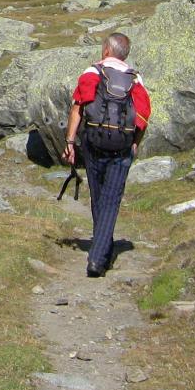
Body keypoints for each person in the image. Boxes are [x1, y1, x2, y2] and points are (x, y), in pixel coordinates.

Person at [63, 31, 150, 278]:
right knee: (111, 200)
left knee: (98, 196)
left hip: (93, 142)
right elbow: (143, 117)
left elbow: (78, 107)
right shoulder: (135, 80)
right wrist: (135, 144)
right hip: (122, 146)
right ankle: (102, 252)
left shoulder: (92, 73)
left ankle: (97, 256)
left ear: (106, 51)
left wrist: (70, 141)